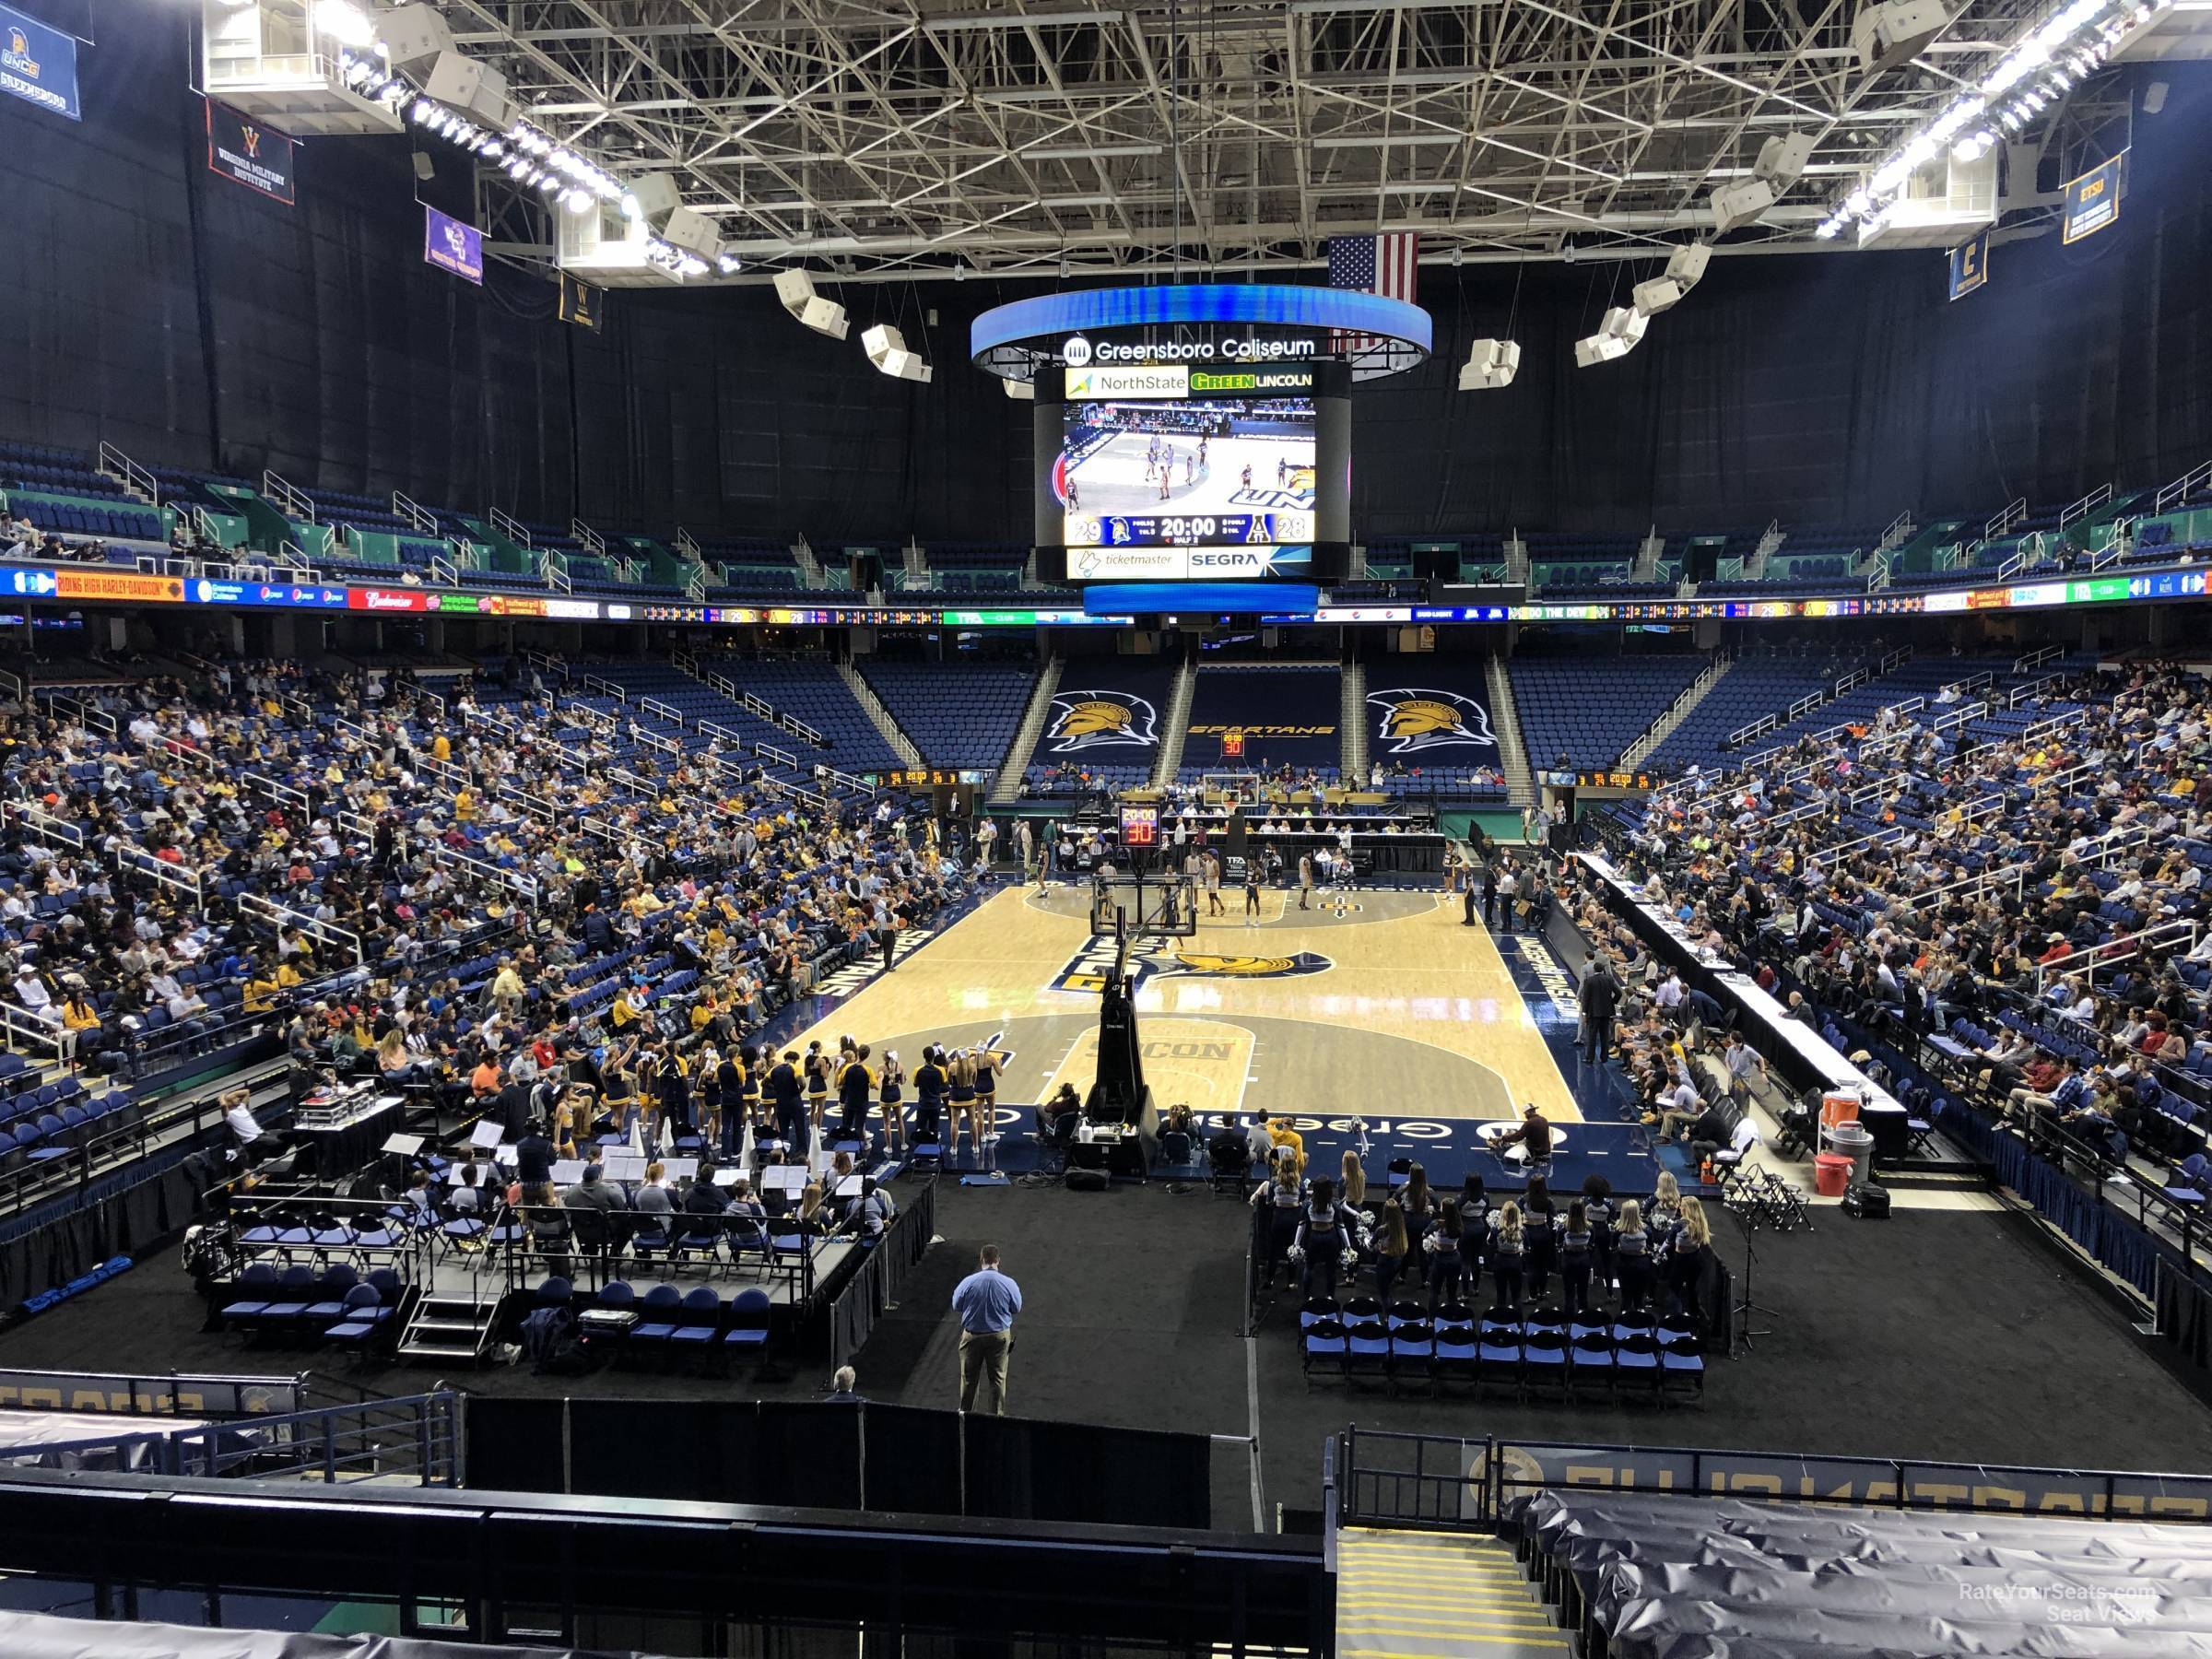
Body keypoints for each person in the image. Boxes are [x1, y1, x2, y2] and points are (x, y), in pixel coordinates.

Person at [951, 1244, 1022, 1415]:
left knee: (969, 1380)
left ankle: (966, 1417)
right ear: (998, 1260)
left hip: (972, 1336)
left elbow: (956, 1305)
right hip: (999, 1337)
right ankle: (995, 1418)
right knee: (997, 1379)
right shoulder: (1008, 1283)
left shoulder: (968, 1282)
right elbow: (1017, 1307)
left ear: (981, 1260)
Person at [1579, 957, 1619, 1065]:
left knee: (1591, 1036)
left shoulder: (1589, 981)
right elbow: (1619, 993)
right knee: (1604, 1036)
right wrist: (1611, 1003)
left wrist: (1584, 1012)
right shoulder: (1609, 979)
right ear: (1602, 970)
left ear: (1595, 970)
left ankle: (1590, 1058)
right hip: (1606, 1013)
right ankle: (1604, 1057)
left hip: (1594, 1013)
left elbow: (1586, 998)